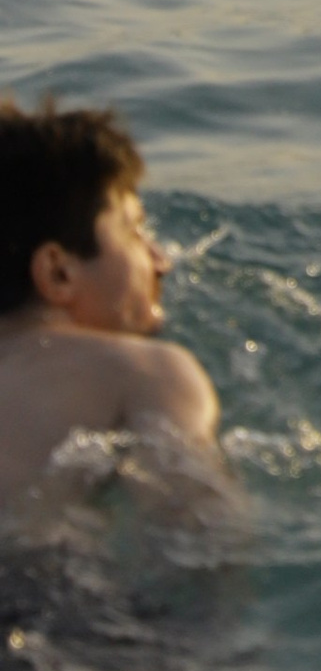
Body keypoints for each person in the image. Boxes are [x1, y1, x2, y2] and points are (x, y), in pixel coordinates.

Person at [0, 102, 223, 516]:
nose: (161, 260)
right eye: (134, 230)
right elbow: (201, 547)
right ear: (58, 273)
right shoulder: (145, 371)